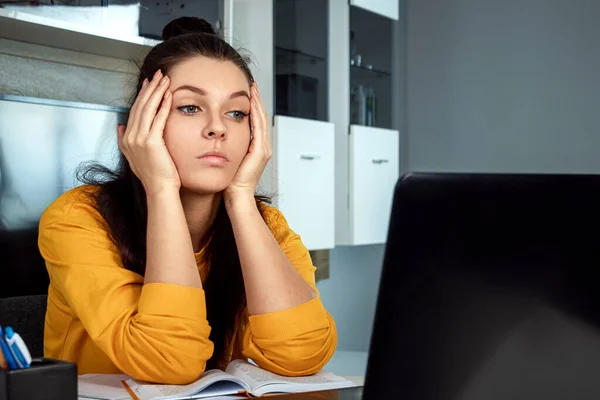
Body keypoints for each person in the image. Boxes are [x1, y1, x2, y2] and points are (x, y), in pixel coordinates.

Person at [38, 17, 337, 385]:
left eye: (236, 112)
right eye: (190, 108)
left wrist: (241, 199)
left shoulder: (267, 226)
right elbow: (169, 363)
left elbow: (302, 355)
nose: (218, 127)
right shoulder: (77, 219)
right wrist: (161, 187)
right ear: (136, 129)